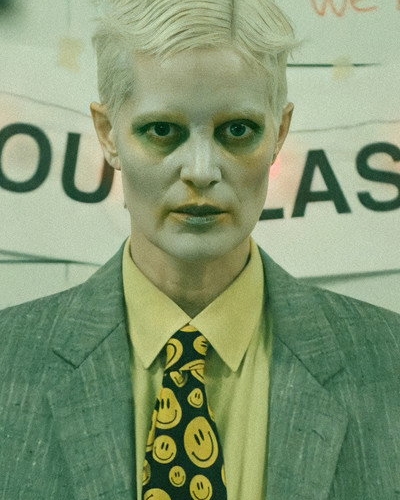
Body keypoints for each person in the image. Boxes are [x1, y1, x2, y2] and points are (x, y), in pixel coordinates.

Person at [1, 0, 400, 499]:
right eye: (162, 131)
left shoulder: (389, 364)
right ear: (108, 134)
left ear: (279, 133)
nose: (201, 170)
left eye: (238, 130)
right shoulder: (9, 361)